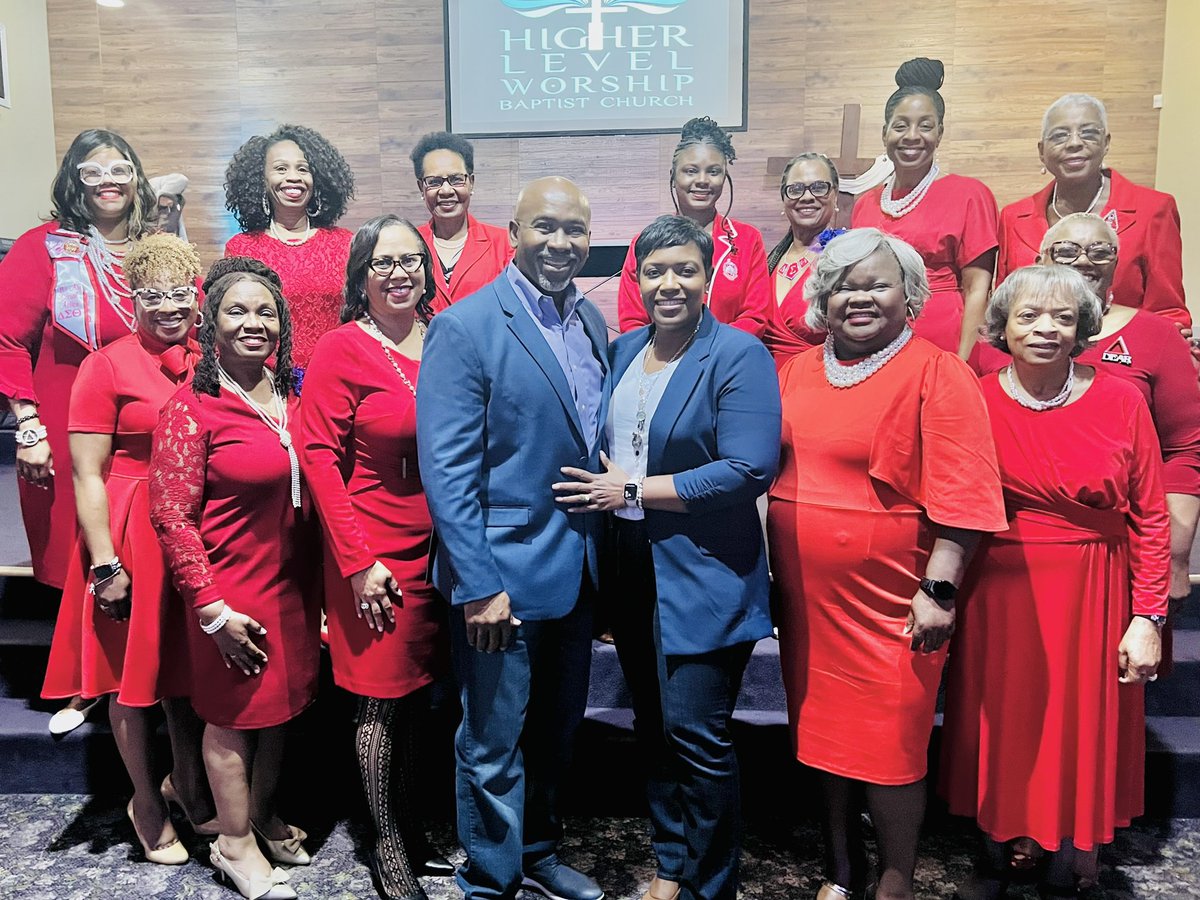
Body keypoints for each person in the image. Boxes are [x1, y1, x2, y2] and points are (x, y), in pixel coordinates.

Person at [767, 228, 1007, 900]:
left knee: (891, 746)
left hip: (897, 601)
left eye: (876, 283)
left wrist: (940, 587)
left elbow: (966, 492)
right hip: (811, 601)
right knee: (822, 739)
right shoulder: (796, 370)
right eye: (844, 284)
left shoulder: (939, 372)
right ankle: (840, 869)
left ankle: (895, 877)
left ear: (908, 294)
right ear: (823, 296)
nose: (860, 296)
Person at [553, 215, 780, 900]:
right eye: (654, 271)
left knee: (697, 737)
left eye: (684, 269)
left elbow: (748, 468)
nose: (669, 283)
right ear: (636, 280)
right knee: (652, 728)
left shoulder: (739, 354)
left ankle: (712, 885)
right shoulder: (623, 350)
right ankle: (672, 863)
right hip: (631, 567)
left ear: (708, 278)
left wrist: (631, 489)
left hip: (707, 572)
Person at [940, 264, 1170, 900]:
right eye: (1029, 316)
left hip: (1095, 589)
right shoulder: (975, 395)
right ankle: (997, 850)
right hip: (996, 592)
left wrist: (1147, 616)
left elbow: (1150, 515)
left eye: (1063, 317)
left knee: (1079, 728)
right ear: (1002, 327)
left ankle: (1072, 859)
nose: (1046, 329)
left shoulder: (1123, 399)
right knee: (1004, 724)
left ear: (1083, 328)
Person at [416, 177, 607, 900]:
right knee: (492, 744)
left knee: (556, 736)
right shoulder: (466, 327)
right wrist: (478, 585)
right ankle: (490, 881)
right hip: (500, 578)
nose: (561, 244)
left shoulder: (590, 324)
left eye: (575, 231)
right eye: (545, 227)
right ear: (515, 230)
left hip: (576, 571)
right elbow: (448, 472)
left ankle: (538, 852)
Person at [40, 233, 213, 864]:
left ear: (196, 296)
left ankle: (190, 785)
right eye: (152, 294)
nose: (167, 306)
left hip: (193, 526)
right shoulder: (104, 365)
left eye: (178, 293)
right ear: (131, 297)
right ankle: (145, 798)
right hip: (128, 525)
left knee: (187, 675)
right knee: (127, 679)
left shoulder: (210, 356)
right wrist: (105, 561)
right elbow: (88, 473)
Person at [150, 272, 321, 900]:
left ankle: (261, 815)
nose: (254, 323)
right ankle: (232, 841)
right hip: (230, 587)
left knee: (281, 710)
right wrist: (212, 610)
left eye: (266, 312)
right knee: (232, 717)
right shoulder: (190, 409)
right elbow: (170, 514)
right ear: (210, 323)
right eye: (236, 311)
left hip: (293, 584)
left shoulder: (294, 393)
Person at [299, 215, 451, 900]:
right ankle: (385, 844)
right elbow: (320, 462)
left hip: (439, 544)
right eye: (384, 261)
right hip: (372, 549)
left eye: (411, 260)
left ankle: (413, 827)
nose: (399, 272)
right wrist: (358, 561)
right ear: (362, 274)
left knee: (419, 697)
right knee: (380, 703)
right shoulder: (341, 348)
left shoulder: (444, 339)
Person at [0, 129, 156, 734]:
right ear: (75, 181)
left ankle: (144, 667)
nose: (109, 181)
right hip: (66, 420)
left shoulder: (152, 247)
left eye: (121, 169)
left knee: (139, 540)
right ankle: (87, 678)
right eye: (94, 172)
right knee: (80, 546)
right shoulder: (44, 247)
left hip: (142, 420)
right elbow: (8, 337)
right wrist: (28, 424)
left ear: (137, 178)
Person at [995, 94, 1189, 328]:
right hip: (1037, 353)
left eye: (1088, 133)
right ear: (1041, 151)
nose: (1074, 143)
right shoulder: (1014, 217)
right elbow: (1005, 307)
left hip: (1123, 355)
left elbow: (1168, 310)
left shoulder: (1153, 210)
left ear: (1106, 143)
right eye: (1059, 136)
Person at [851, 58, 999, 358]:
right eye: (901, 126)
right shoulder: (865, 204)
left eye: (926, 126)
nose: (912, 136)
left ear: (940, 134)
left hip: (944, 342)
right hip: (876, 341)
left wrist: (964, 362)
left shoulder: (970, 194)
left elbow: (977, 290)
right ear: (884, 134)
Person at [617, 117, 770, 338]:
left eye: (713, 171)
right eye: (690, 171)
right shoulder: (645, 242)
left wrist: (710, 350)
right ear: (673, 178)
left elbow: (755, 316)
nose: (702, 180)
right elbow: (633, 321)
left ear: (724, 178)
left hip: (728, 360)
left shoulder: (748, 239)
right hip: (662, 363)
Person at [223, 123, 356, 373]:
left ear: (317, 180)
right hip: (266, 381)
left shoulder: (345, 243)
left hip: (337, 375)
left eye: (303, 169)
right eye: (281, 168)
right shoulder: (241, 248)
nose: (293, 177)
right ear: (261, 179)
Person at [410, 132, 512, 313]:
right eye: (434, 182)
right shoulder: (408, 244)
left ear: (471, 183)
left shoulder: (505, 244)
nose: (446, 190)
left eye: (456, 179)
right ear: (421, 188)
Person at [763, 153, 843, 364]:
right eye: (796, 189)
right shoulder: (766, 263)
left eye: (818, 187)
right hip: (761, 385)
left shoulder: (847, 262)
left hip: (818, 384)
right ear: (784, 200)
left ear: (835, 195)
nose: (807, 197)